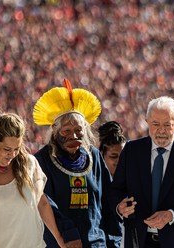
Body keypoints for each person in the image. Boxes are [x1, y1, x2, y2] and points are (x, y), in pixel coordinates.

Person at [110, 96, 174, 248]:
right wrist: (120, 207)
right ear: (147, 122)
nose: (161, 130)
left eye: (168, 125)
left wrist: (171, 215)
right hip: (139, 239)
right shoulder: (131, 150)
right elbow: (116, 189)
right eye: (155, 124)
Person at [33, 80, 121, 248]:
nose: (73, 136)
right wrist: (68, 235)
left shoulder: (94, 156)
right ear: (55, 132)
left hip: (97, 244)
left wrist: (114, 241)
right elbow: (46, 205)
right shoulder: (42, 161)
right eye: (66, 131)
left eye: (78, 130)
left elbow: (108, 201)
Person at [0, 113, 65, 247]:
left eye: (17, 149)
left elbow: (42, 203)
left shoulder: (29, 163)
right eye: (7, 149)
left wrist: (60, 239)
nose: (12, 155)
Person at [97, 121, 127, 247]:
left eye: (123, 156)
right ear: (102, 155)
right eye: (113, 156)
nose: (119, 162)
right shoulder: (95, 182)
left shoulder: (132, 179)